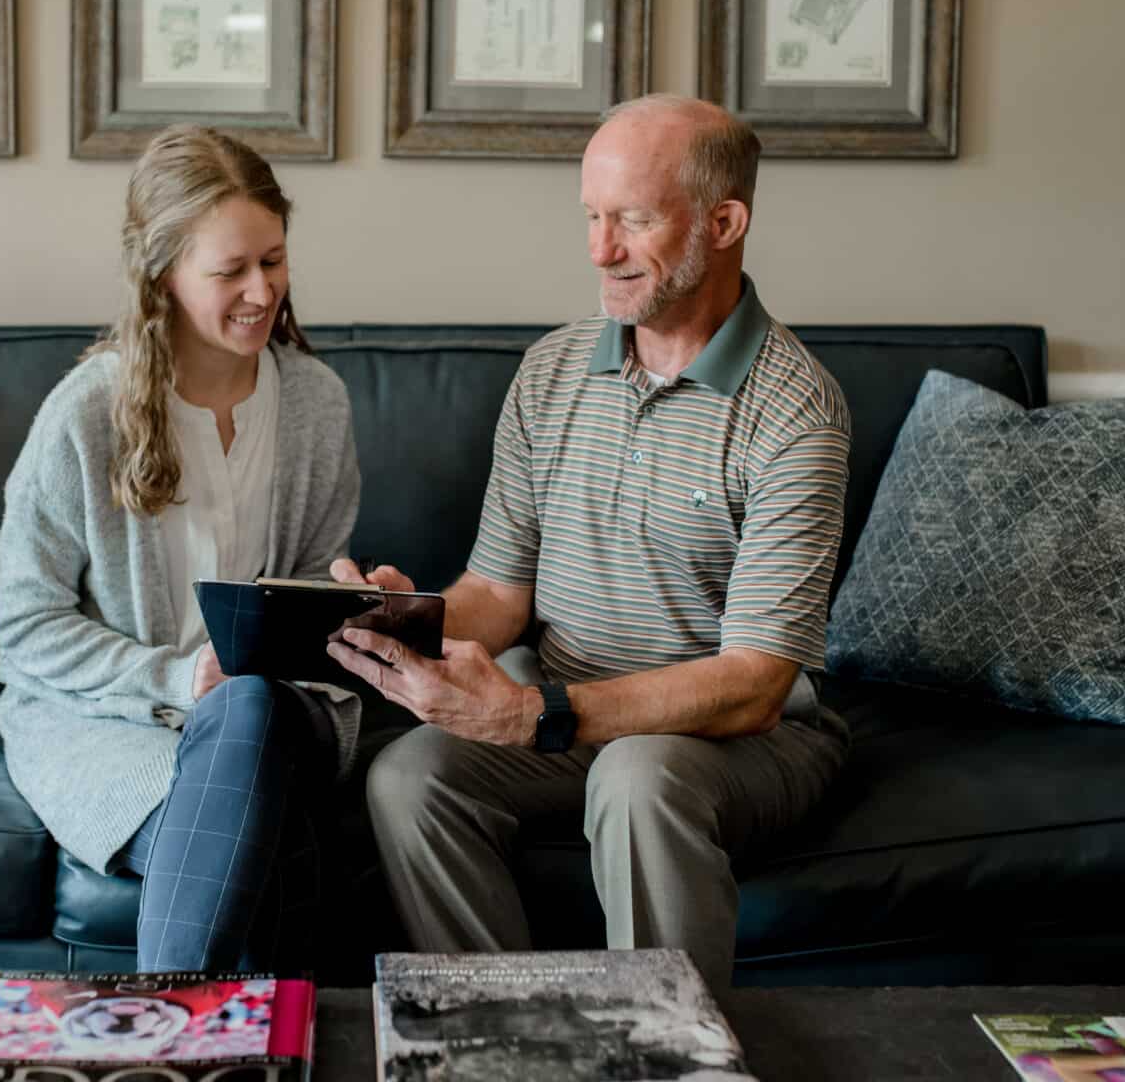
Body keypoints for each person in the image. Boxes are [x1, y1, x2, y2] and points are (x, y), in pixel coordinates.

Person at [325, 94, 852, 988]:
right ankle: (502, 1032)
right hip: (569, 717)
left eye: (634, 220)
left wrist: (537, 715)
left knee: (638, 779)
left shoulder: (796, 410)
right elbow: (499, 593)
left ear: (724, 223)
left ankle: (665, 1054)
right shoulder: (554, 369)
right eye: (592, 217)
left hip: (741, 741)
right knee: (408, 777)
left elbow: (755, 686)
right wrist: (396, 621)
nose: (599, 250)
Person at [0, 124, 361, 973]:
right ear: (161, 272)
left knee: (251, 707)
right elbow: (27, 626)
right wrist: (174, 679)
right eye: (229, 270)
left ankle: (165, 1040)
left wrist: (351, 604)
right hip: (111, 720)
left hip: (281, 711)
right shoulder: (86, 414)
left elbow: (304, 592)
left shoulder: (314, 403)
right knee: (266, 837)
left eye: (272, 260)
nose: (260, 291)